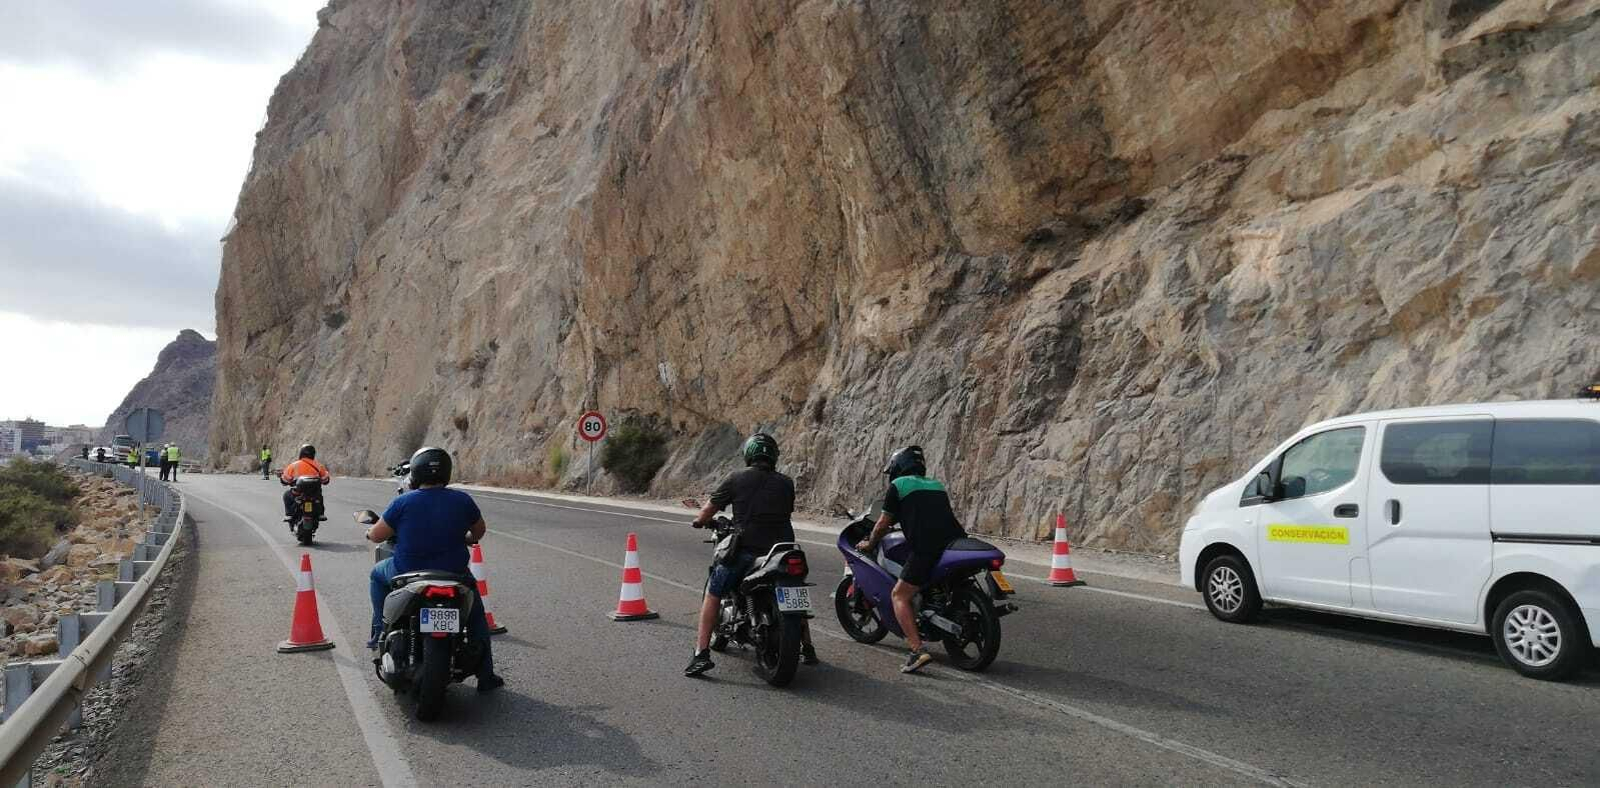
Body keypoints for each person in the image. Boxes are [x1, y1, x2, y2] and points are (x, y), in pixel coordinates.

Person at [363, 447, 503, 691]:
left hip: (407, 573)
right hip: (454, 574)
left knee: (377, 575)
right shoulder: (462, 500)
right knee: (477, 616)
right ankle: (486, 675)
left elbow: (377, 536)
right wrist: (466, 537)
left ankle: (378, 632)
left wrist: (369, 531)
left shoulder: (402, 502)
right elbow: (478, 532)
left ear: (415, 473)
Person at [685, 432, 816, 677]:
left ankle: (700, 654)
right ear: (774, 456)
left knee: (713, 593)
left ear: (749, 454)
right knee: (794, 591)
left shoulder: (736, 478)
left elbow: (706, 513)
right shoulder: (787, 482)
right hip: (783, 551)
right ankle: (808, 648)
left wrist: (699, 521)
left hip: (747, 552)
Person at [855, 445, 966, 674]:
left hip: (927, 547)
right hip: (954, 543)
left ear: (898, 467)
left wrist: (870, 543)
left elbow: (883, 522)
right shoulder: (936, 484)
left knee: (899, 594)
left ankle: (917, 650)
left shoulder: (898, 486)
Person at [279, 444, 331, 520]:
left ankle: (289, 515)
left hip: (298, 493)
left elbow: (284, 480)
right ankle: (320, 514)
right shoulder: (319, 466)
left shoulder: (294, 465)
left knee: (286, 495)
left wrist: (285, 481)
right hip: (314, 494)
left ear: (301, 453)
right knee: (319, 497)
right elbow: (325, 480)